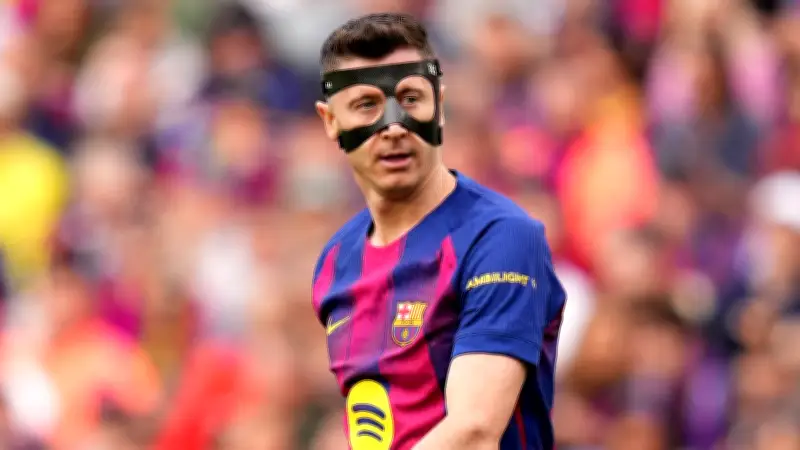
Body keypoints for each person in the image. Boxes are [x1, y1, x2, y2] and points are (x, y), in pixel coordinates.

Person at [311, 12, 567, 450]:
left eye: (410, 99)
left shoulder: (500, 239)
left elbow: (475, 432)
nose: (394, 127)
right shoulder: (335, 261)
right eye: (367, 105)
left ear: (440, 106)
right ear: (331, 121)